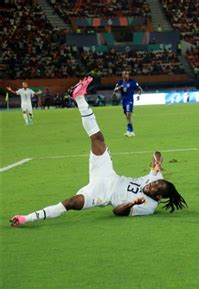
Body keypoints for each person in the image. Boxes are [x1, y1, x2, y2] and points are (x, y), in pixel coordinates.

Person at [10, 75, 186, 227]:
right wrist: (157, 161)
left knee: (72, 202)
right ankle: (79, 98)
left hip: (104, 194)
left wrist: (132, 202)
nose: (151, 184)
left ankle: (26, 218)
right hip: (109, 175)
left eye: (154, 187)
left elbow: (117, 212)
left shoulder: (147, 207)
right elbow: (157, 154)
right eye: (155, 182)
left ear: (159, 196)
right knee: (98, 140)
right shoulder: (157, 179)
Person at [114, 71, 143, 137]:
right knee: (127, 117)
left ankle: (128, 130)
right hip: (124, 101)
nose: (127, 75)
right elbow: (115, 89)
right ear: (122, 75)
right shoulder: (120, 82)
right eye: (125, 74)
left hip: (130, 100)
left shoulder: (133, 82)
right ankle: (131, 131)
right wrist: (120, 87)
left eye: (127, 74)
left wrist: (138, 95)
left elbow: (139, 89)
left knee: (128, 114)